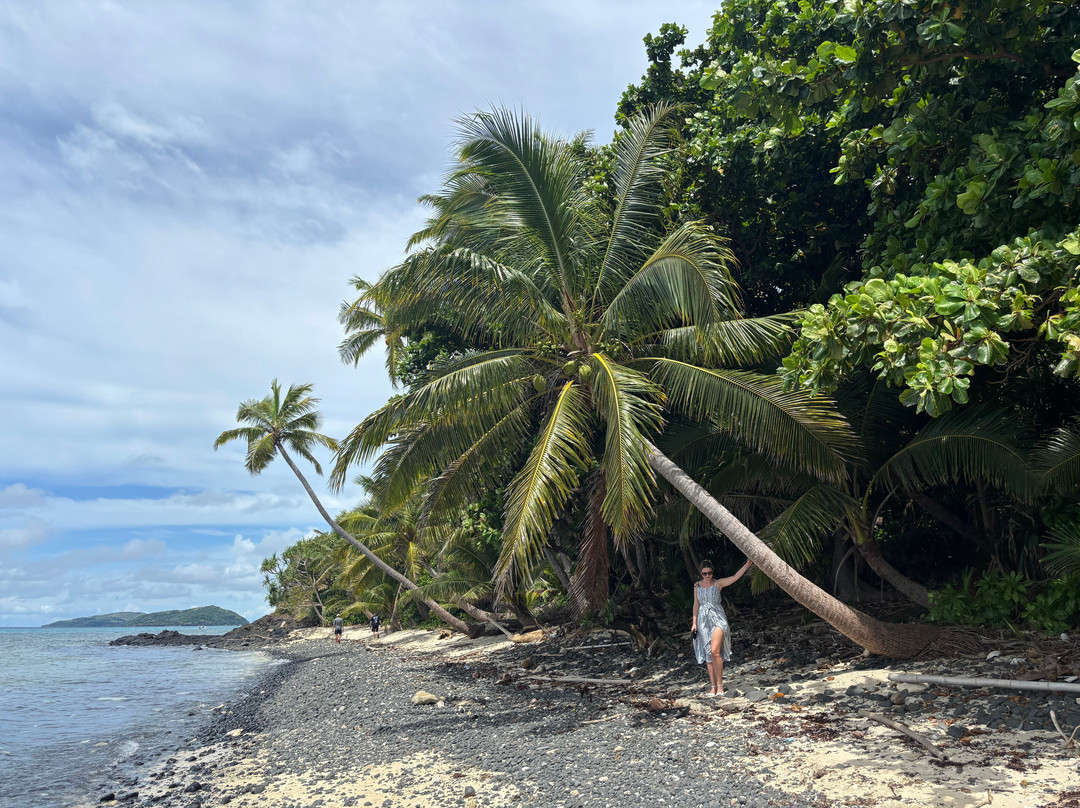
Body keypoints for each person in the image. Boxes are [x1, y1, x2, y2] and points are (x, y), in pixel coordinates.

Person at [691, 557, 753, 697]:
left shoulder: (718, 583)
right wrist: (694, 623)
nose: (707, 576)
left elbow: (734, 577)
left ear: (713, 572)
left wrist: (747, 565)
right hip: (703, 620)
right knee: (708, 654)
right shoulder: (697, 586)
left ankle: (720, 686)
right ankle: (713, 687)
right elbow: (696, 604)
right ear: (701, 573)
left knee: (714, 651)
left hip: (718, 618)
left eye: (709, 573)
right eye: (705, 573)